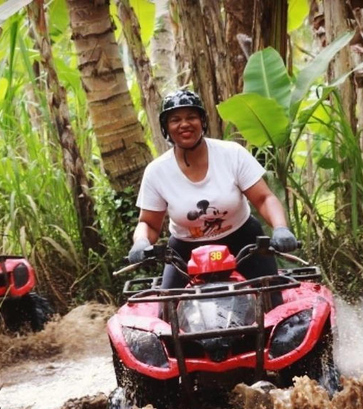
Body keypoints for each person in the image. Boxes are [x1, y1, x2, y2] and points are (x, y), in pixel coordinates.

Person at [127, 90, 297, 289]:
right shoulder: (157, 171)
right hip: (185, 249)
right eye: (175, 120)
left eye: (191, 117)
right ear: (166, 127)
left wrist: (281, 228)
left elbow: (264, 198)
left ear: (202, 121)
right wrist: (140, 242)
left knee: (272, 297)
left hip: (243, 241)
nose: (184, 124)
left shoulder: (232, 154)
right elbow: (149, 223)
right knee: (167, 308)